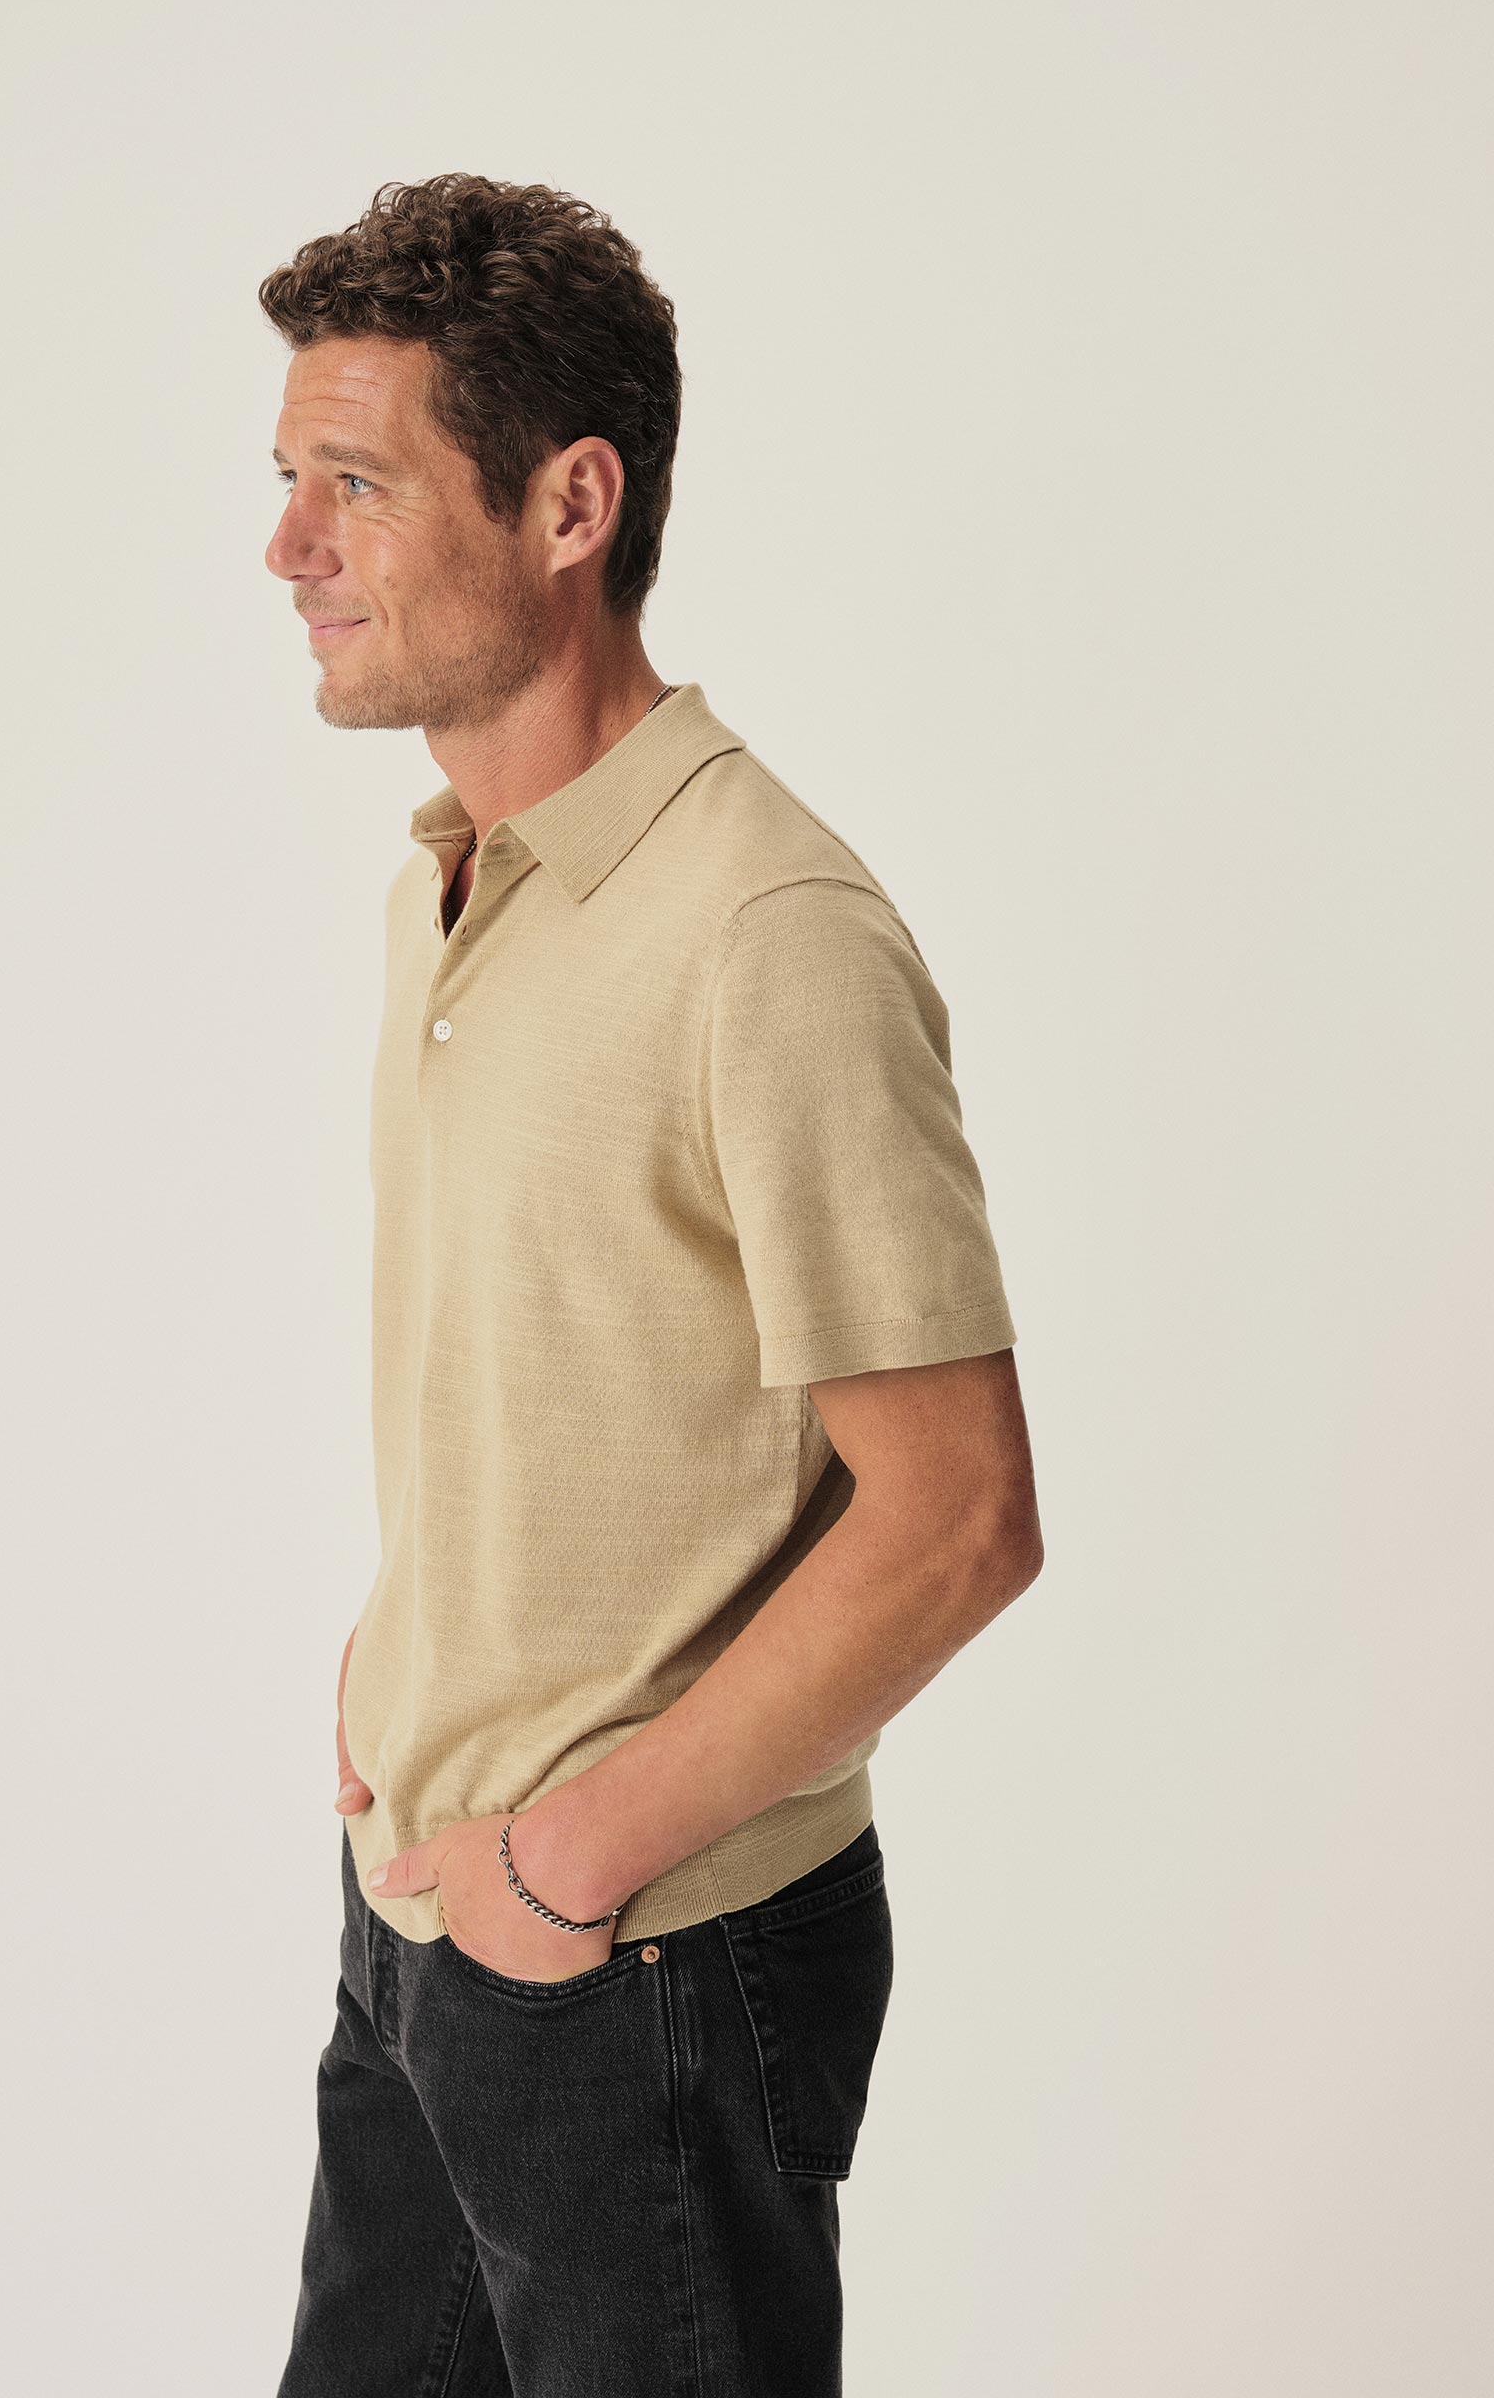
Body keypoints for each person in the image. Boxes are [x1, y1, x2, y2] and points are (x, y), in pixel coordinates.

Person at [259, 171, 1043, 2398]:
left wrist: (575, 1860)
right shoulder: (455, 880)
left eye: (355, 483)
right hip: (422, 1907)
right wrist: (409, 1664)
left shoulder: (764, 931)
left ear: (570, 505)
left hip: (644, 1954)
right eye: (285, 481)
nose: (289, 549)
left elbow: (961, 1517)